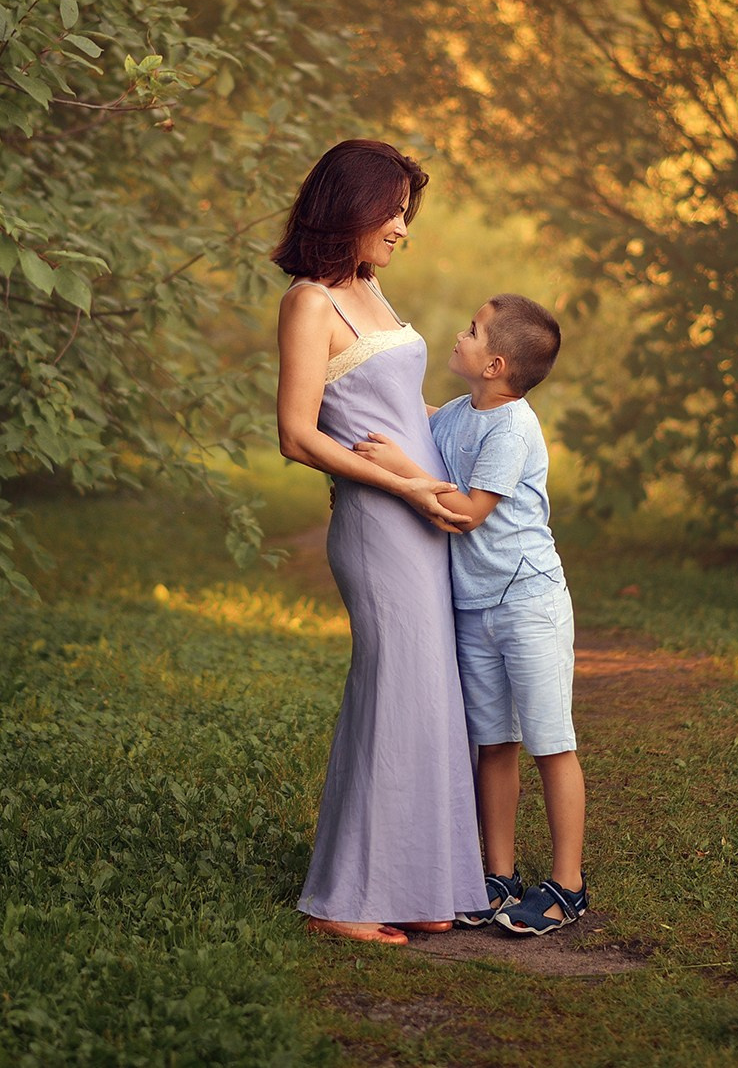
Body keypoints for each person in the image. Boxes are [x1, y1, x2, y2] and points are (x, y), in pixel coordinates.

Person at [273, 139, 491, 947]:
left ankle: (421, 878)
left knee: (432, 696)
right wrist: (401, 485)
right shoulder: (309, 302)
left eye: (407, 212)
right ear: (351, 207)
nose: (403, 227)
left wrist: (479, 432)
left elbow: (400, 407)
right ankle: (346, 897)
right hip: (377, 522)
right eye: (392, 210)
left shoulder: (369, 290)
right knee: (394, 692)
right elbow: (297, 435)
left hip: (421, 511)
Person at [352, 294, 589, 936]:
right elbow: (423, 422)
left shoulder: (514, 428)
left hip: (527, 602)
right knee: (494, 741)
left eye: (474, 331)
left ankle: (568, 885)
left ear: (497, 364)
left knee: (549, 739)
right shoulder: (461, 413)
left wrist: (402, 471)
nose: (460, 334)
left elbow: (466, 512)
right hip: (474, 604)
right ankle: (498, 875)